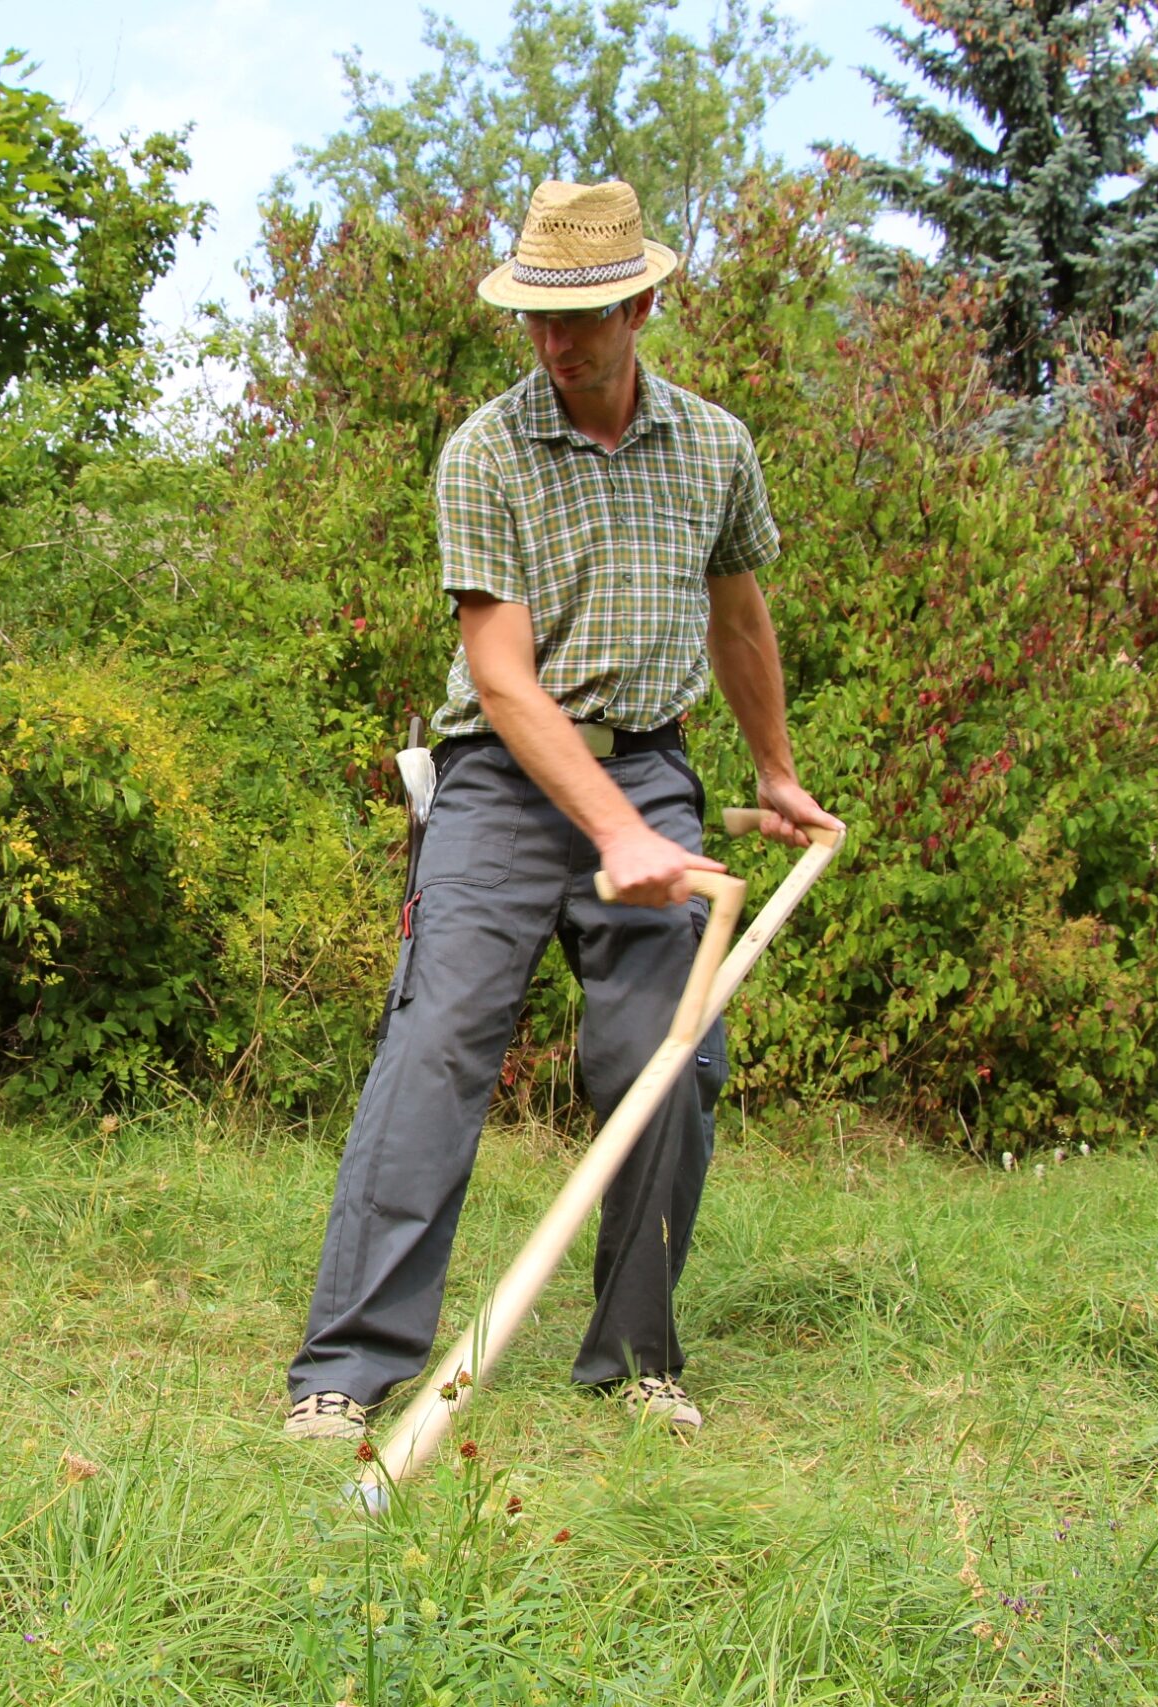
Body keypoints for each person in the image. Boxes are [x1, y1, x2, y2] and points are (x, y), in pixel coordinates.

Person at [284, 178, 841, 1441]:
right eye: (537, 315)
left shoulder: (716, 449)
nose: (557, 341)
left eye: (583, 313)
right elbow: (500, 676)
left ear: (642, 302)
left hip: (653, 766)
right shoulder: (487, 450)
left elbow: (739, 615)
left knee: (672, 1065)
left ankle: (636, 1362)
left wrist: (772, 770)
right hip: (499, 779)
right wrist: (614, 834)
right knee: (436, 1049)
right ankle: (345, 1371)